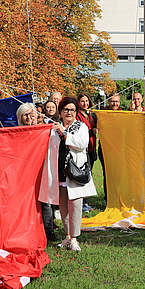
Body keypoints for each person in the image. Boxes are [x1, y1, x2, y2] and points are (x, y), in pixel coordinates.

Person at [51, 97, 98, 251]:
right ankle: (68, 236)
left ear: (76, 112)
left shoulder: (81, 127)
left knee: (75, 206)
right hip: (58, 171)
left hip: (75, 171)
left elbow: (82, 144)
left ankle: (75, 239)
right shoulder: (53, 127)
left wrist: (64, 133)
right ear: (61, 111)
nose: (68, 112)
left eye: (72, 110)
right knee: (63, 206)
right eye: (65, 109)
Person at [16, 102, 57, 245]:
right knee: (26, 202)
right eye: (25, 115)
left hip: (41, 169)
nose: (29, 117)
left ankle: (49, 230)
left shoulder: (42, 130)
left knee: (45, 202)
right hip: (23, 173)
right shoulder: (15, 133)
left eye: (31, 114)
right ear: (20, 117)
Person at [76, 93, 99, 167]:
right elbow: (79, 130)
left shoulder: (89, 114)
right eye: (82, 101)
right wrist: (91, 131)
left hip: (91, 147)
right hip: (83, 149)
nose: (85, 103)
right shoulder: (77, 115)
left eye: (86, 101)